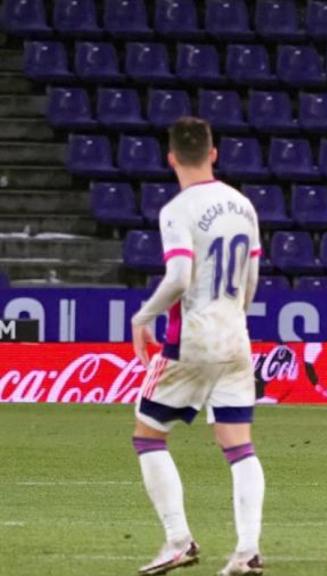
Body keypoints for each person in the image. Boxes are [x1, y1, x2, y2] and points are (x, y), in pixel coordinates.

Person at [130, 117, 265, 576]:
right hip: (235, 335)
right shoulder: (243, 205)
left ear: (171, 159)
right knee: (239, 445)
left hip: (192, 339)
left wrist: (143, 315)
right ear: (213, 153)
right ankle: (248, 552)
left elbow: (180, 276)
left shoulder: (177, 210)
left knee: (148, 435)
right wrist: (236, 316)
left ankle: (178, 541)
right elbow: (251, 277)